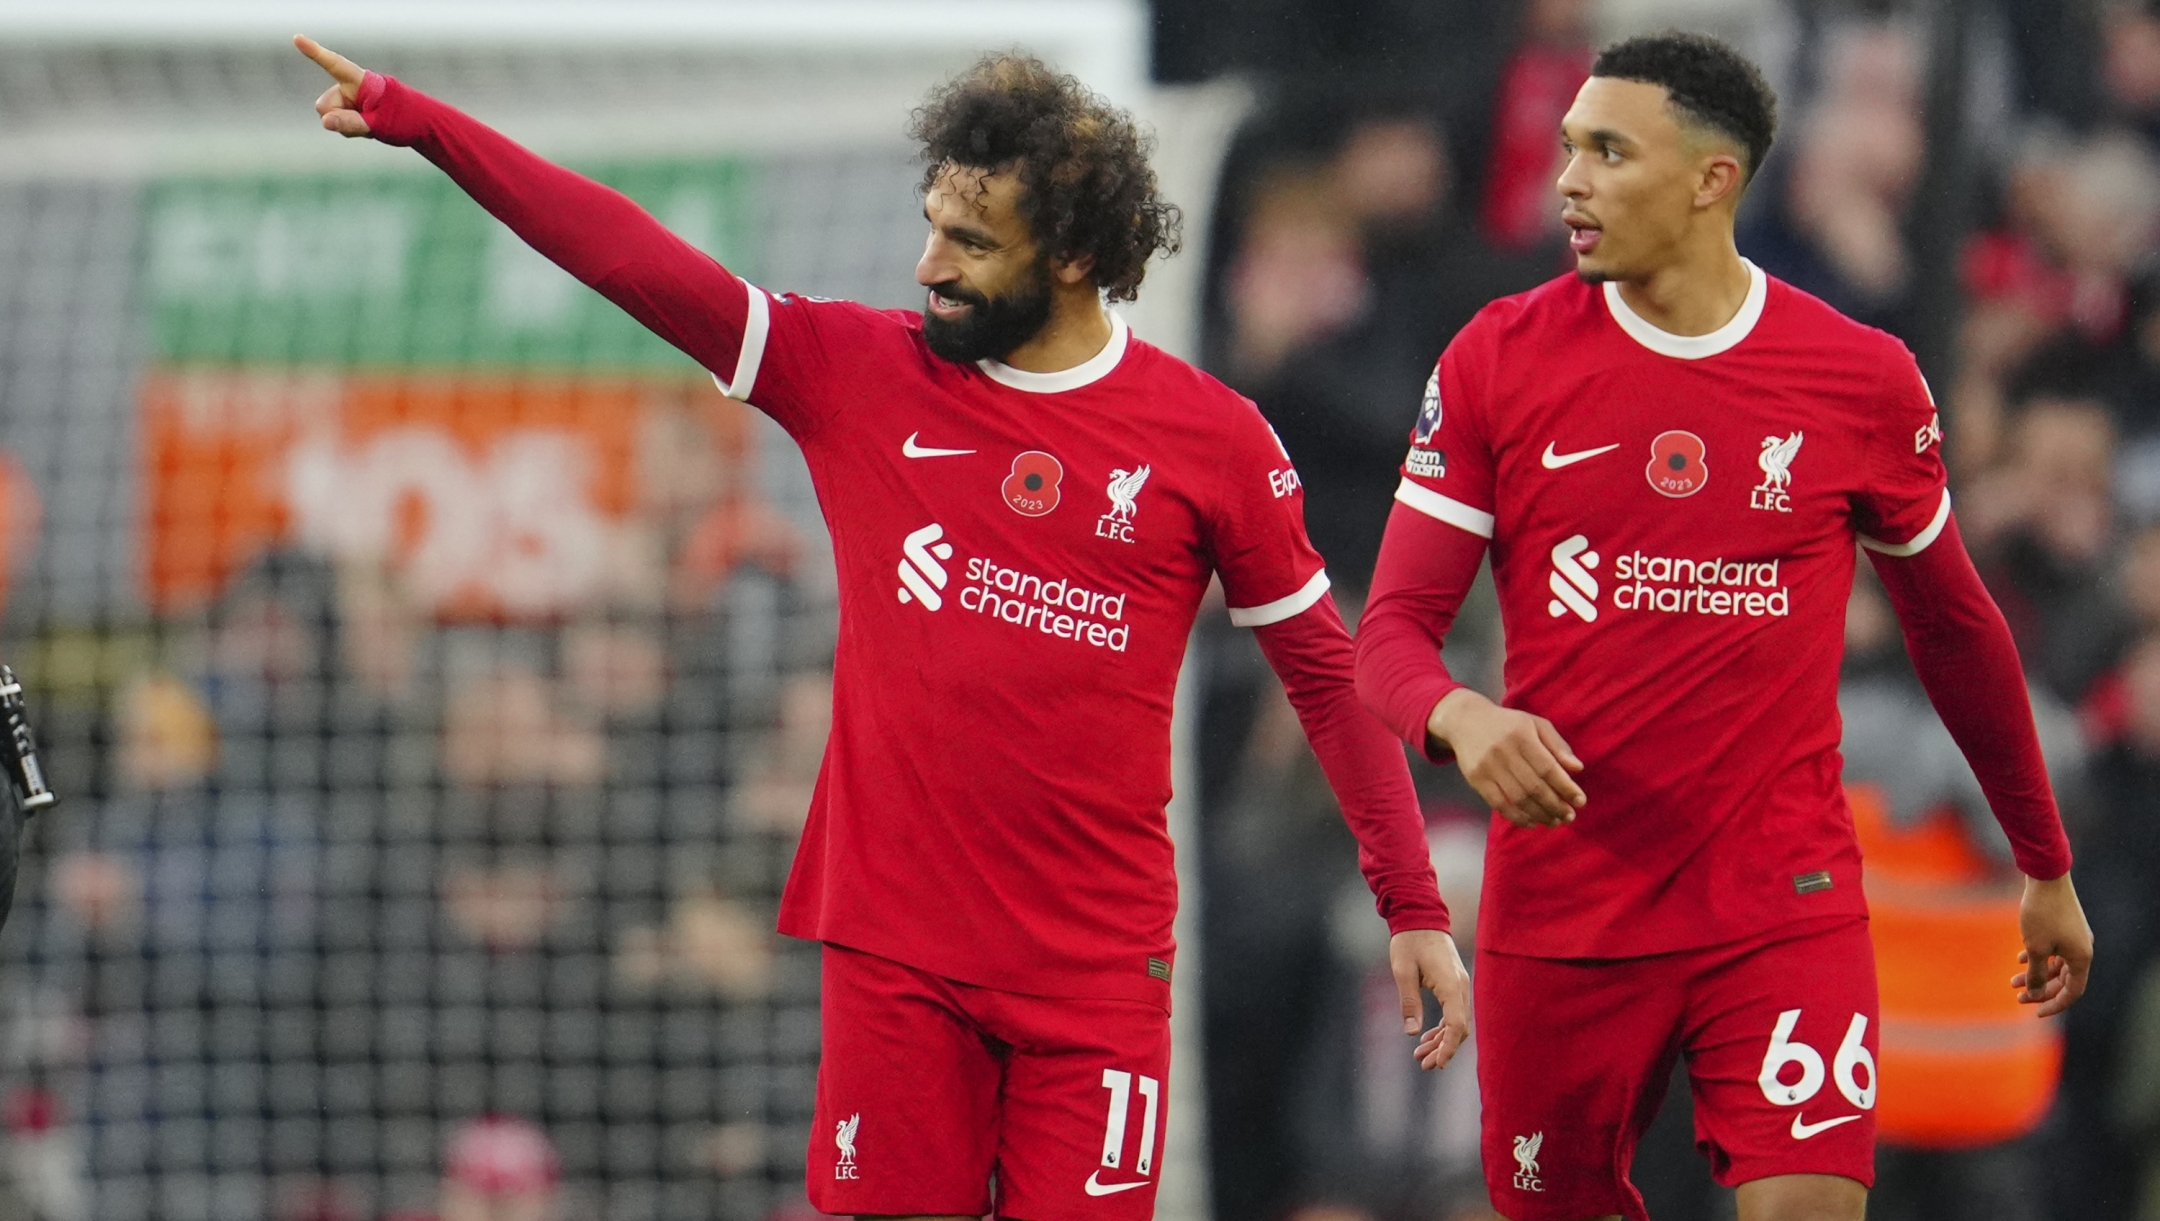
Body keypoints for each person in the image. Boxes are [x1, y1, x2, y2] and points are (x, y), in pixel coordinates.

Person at [292, 36, 1470, 1221]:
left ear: (1070, 256)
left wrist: (1413, 904)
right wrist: (423, 125)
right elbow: (629, 257)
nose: (927, 265)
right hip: (898, 965)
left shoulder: (1213, 441)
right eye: (930, 226)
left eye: (967, 240)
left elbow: (1329, 681)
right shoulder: (855, 374)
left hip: (1097, 979)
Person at [1353, 31, 2094, 1221]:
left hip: (1778, 902)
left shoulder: (1858, 379)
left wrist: (2043, 860)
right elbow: (1387, 629)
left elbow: (1956, 630)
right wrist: (1459, 714)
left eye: (1608, 151)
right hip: (1567, 915)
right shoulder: (1498, 359)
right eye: (1566, 150)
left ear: (1714, 180)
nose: (1568, 182)